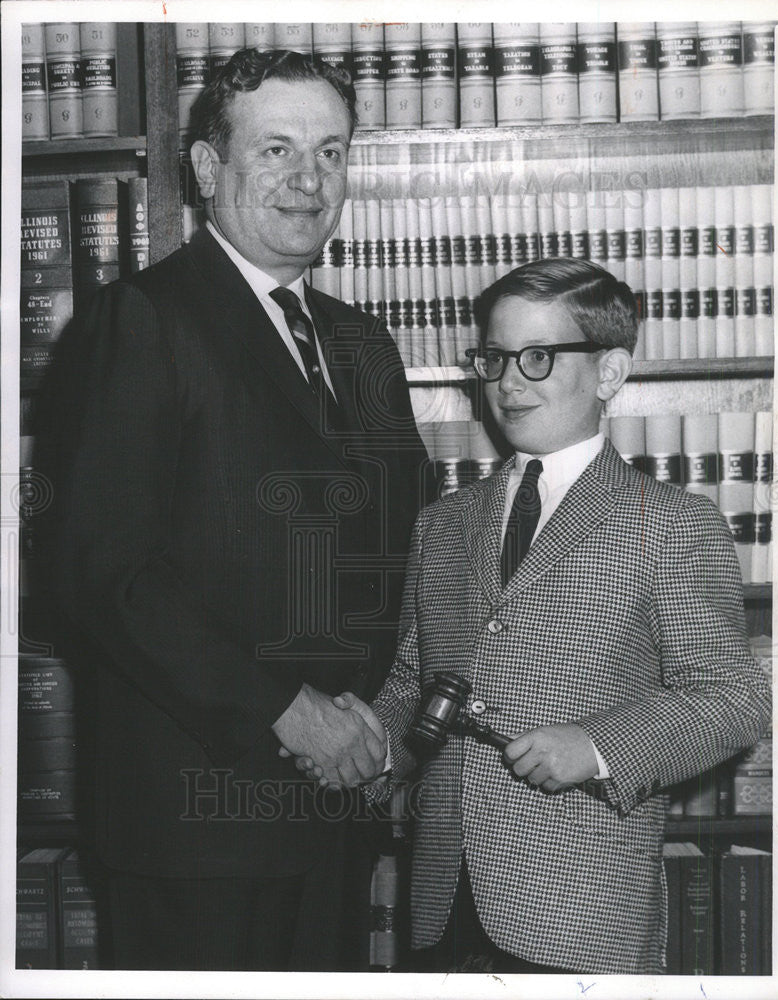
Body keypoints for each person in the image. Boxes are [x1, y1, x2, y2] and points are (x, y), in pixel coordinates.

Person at [39, 48, 430, 971]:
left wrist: (382, 728)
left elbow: (397, 550)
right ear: (209, 169)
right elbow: (105, 577)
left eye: (330, 153)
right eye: (277, 151)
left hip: (338, 807)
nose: (308, 180)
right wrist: (290, 714)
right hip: (195, 826)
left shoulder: (363, 344)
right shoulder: (140, 319)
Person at [294, 257, 772, 974]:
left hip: (581, 914)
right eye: (493, 357)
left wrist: (599, 745)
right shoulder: (442, 523)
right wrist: (370, 747)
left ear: (609, 372)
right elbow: (411, 686)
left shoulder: (671, 522)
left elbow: (734, 701)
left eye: (538, 357)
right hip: (438, 906)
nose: (508, 382)